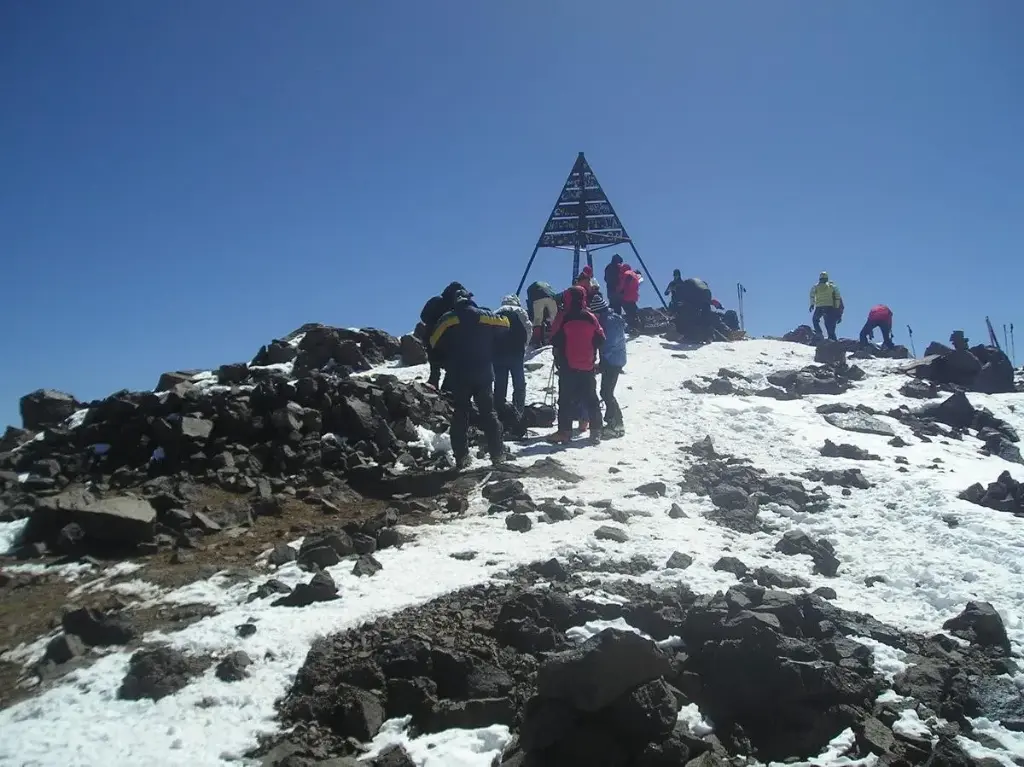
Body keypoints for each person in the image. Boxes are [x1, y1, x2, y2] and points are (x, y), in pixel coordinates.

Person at [429, 289, 510, 468]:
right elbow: (506, 324)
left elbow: (434, 341)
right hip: (484, 373)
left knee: (460, 414)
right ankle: (497, 454)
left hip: (459, 374)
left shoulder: (448, 319)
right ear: (470, 299)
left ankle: (462, 457)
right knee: (489, 413)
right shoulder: (485, 315)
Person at [547, 286, 605, 444]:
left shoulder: (564, 317)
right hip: (587, 365)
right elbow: (601, 338)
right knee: (591, 399)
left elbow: (554, 338)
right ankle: (595, 432)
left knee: (565, 400)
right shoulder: (590, 317)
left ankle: (564, 432)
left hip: (568, 365)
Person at [589, 291, 627, 435]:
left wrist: (602, 360)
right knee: (606, 392)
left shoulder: (608, 323)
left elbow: (608, 343)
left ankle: (616, 423)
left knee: (606, 392)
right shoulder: (613, 319)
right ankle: (613, 421)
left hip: (611, 360)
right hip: (616, 359)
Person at [493, 295, 532, 432]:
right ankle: (518, 416)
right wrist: (524, 346)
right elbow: (528, 329)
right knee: (519, 385)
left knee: (500, 386)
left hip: (499, 354)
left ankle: (499, 417)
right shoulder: (520, 311)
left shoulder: (497, 312)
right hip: (516, 353)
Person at [417, 294, 450, 388]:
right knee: (450, 367)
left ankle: (433, 384)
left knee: (435, 364)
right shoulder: (453, 305)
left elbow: (423, 316)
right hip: (446, 339)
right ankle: (446, 389)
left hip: (431, 336)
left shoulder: (435, 300)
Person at [671, 276, 714, 342]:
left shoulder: (682, 287)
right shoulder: (692, 282)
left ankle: (690, 336)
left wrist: (674, 311)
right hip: (707, 293)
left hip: (696, 295)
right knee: (706, 315)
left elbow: (679, 302)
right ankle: (708, 336)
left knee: (688, 314)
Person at [809, 271, 844, 341]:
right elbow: (837, 296)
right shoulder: (832, 286)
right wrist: (836, 307)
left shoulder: (815, 286)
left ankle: (819, 333)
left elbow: (811, 295)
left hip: (819, 307)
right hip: (829, 307)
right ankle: (832, 341)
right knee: (829, 325)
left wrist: (812, 304)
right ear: (827, 278)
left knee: (815, 320)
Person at [526, 281, 559, 348]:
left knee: (537, 321)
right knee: (554, 320)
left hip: (537, 299)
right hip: (551, 298)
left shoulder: (532, 288)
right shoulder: (546, 286)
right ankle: (555, 339)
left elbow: (530, 308)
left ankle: (536, 341)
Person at [618, 262, 641, 328]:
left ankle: (633, 327)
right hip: (634, 296)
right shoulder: (634, 274)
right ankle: (638, 324)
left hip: (627, 296)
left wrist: (619, 291)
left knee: (629, 313)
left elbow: (623, 285)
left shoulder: (626, 274)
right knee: (634, 311)